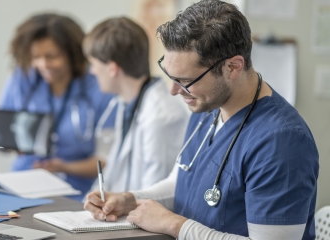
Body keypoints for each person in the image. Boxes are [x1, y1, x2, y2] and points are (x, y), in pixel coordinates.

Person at [84, 1, 319, 239]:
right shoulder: (208, 108)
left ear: (232, 67)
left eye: (185, 80)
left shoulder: (281, 141)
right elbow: (182, 185)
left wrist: (174, 225)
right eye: (169, 76)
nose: (174, 91)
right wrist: (129, 200)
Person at [0, 13, 114, 201]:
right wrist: (10, 144)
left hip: (76, 194)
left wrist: (64, 167)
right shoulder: (22, 78)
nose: (43, 64)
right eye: (35, 57)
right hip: (22, 186)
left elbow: (107, 161)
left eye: (51, 56)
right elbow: (2, 140)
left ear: (73, 54)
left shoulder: (99, 87)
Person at [81, 17, 190, 193]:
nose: (92, 71)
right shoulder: (127, 102)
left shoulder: (161, 117)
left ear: (112, 67)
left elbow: (155, 194)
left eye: (94, 64)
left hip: (140, 216)